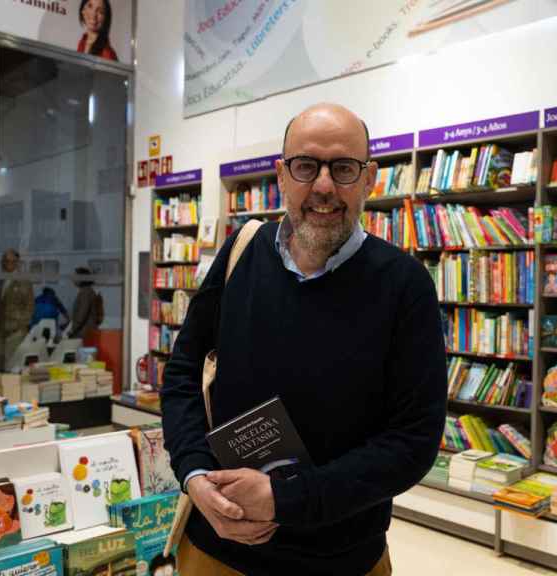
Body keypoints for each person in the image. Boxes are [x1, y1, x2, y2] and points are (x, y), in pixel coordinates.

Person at [160, 103, 446, 575]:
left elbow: (412, 441)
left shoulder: (405, 285)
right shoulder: (240, 252)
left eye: (344, 168)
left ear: (370, 178)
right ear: (281, 174)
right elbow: (183, 373)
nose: (324, 186)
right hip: (215, 548)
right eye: (306, 165)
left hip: (341, 561)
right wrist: (192, 474)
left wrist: (284, 498)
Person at [0, 250, 34, 369]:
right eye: (6, 261)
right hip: (1, 328)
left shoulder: (23, 281)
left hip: (16, 330)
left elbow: (29, 305)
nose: (8, 264)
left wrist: (21, 325)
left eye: (12, 261)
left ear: (17, 263)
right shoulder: (1, 280)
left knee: (11, 363)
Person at [68, 267, 103, 339]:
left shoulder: (85, 292)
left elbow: (82, 314)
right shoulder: (87, 291)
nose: (73, 279)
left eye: (75, 276)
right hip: (85, 331)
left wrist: (72, 329)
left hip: (84, 332)